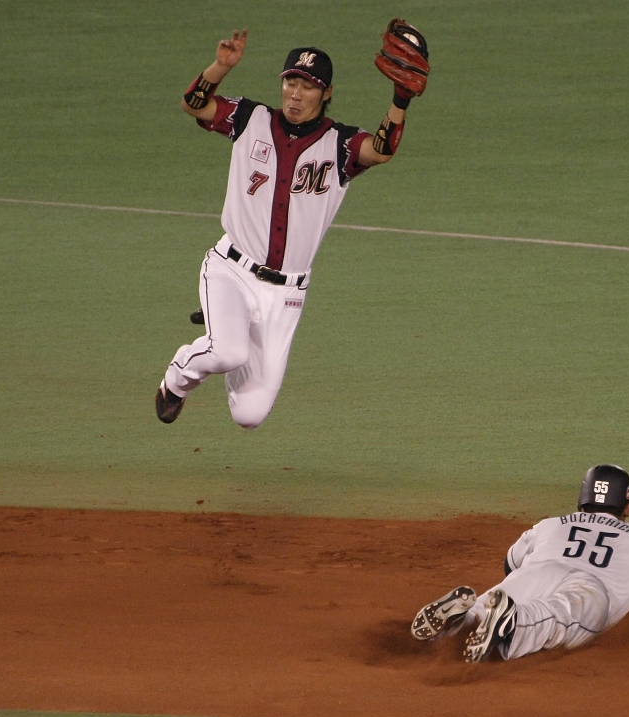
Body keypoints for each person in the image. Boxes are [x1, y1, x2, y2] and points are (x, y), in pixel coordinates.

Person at [156, 21, 429, 427]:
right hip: (232, 267)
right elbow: (194, 105)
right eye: (291, 83)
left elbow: (383, 150)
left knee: (249, 415)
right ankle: (177, 378)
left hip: (285, 296)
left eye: (308, 86)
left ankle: (229, 325)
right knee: (227, 353)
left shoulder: (340, 145)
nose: (296, 94)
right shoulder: (251, 118)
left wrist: (400, 99)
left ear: (327, 93)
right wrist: (220, 66)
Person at [411, 464, 629, 663]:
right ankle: (512, 625)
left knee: (508, 594)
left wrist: (529, 583)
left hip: (536, 571)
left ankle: (466, 618)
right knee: (560, 616)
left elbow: (511, 566)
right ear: (628, 506)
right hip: (591, 588)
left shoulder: (550, 525)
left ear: (583, 499)